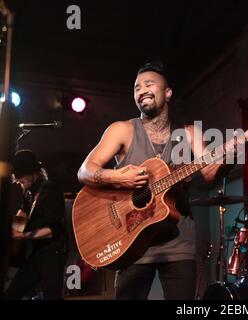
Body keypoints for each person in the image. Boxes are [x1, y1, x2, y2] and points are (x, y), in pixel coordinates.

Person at [77, 62, 232, 300]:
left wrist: (232, 153)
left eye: (149, 84)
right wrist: (117, 176)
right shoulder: (122, 130)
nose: (141, 91)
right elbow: (85, 171)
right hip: (130, 243)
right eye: (137, 87)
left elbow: (210, 175)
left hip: (178, 245)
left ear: (168, 93)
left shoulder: (190, 133)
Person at [4, 149, 67, 300]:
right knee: (11, 294)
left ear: (32, 173)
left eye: (22, 181)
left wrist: (23, 236)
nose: (22, 185)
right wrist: (13, 230)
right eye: (18, 182)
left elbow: (53, 230)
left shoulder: (50, 190)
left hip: (53, 252)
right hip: (38, 252)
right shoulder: (28, 190)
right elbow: (24, 210)